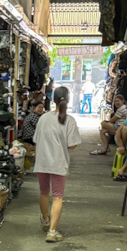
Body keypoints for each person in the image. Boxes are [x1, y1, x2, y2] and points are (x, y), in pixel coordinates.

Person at [34, 88, 82, 243]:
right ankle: (52, 232)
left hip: (42, 161)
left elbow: (36, 139)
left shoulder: (43, 118)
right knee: (57, 197)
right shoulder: (69, 120)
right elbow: (72, 145)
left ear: (52, 100)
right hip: (58, 162)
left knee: (43, 193)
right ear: (68, 100)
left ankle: (45, 221)